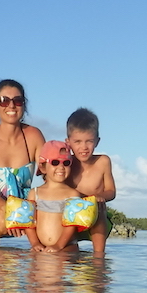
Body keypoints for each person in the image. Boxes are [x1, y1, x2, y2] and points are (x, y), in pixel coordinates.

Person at [0, 79, 45, 247]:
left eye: (17, 100)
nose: (11, 106)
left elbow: (49, 174)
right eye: (4, 101)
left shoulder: (34, 136)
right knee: (1, 220)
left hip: (25, 204)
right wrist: (11, 211)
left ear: (23, 105)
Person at [66, 108, 116, 256]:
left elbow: (111, 191)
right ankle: (67, 249)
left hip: (96, 218)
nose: (84, 147)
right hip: (70, 219)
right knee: (68, 255)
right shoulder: (66, 164)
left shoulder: (103, 162)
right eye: (78, 142)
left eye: (89, 141)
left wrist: (100, 196)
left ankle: (98, 256)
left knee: (99, 211)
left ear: (97, 141)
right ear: (68, 143)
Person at [23, 141, 83, 253]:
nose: (61, 167)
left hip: (67, 246)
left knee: (60, 259)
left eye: (66, 163)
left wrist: (59, 246)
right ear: (43, 167)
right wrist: (35, 243)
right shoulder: (34, 193)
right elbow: (29, 222)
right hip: (41, 246)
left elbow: (71, 225)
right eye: (55, 162)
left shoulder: (72, 194)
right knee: (33, 263)